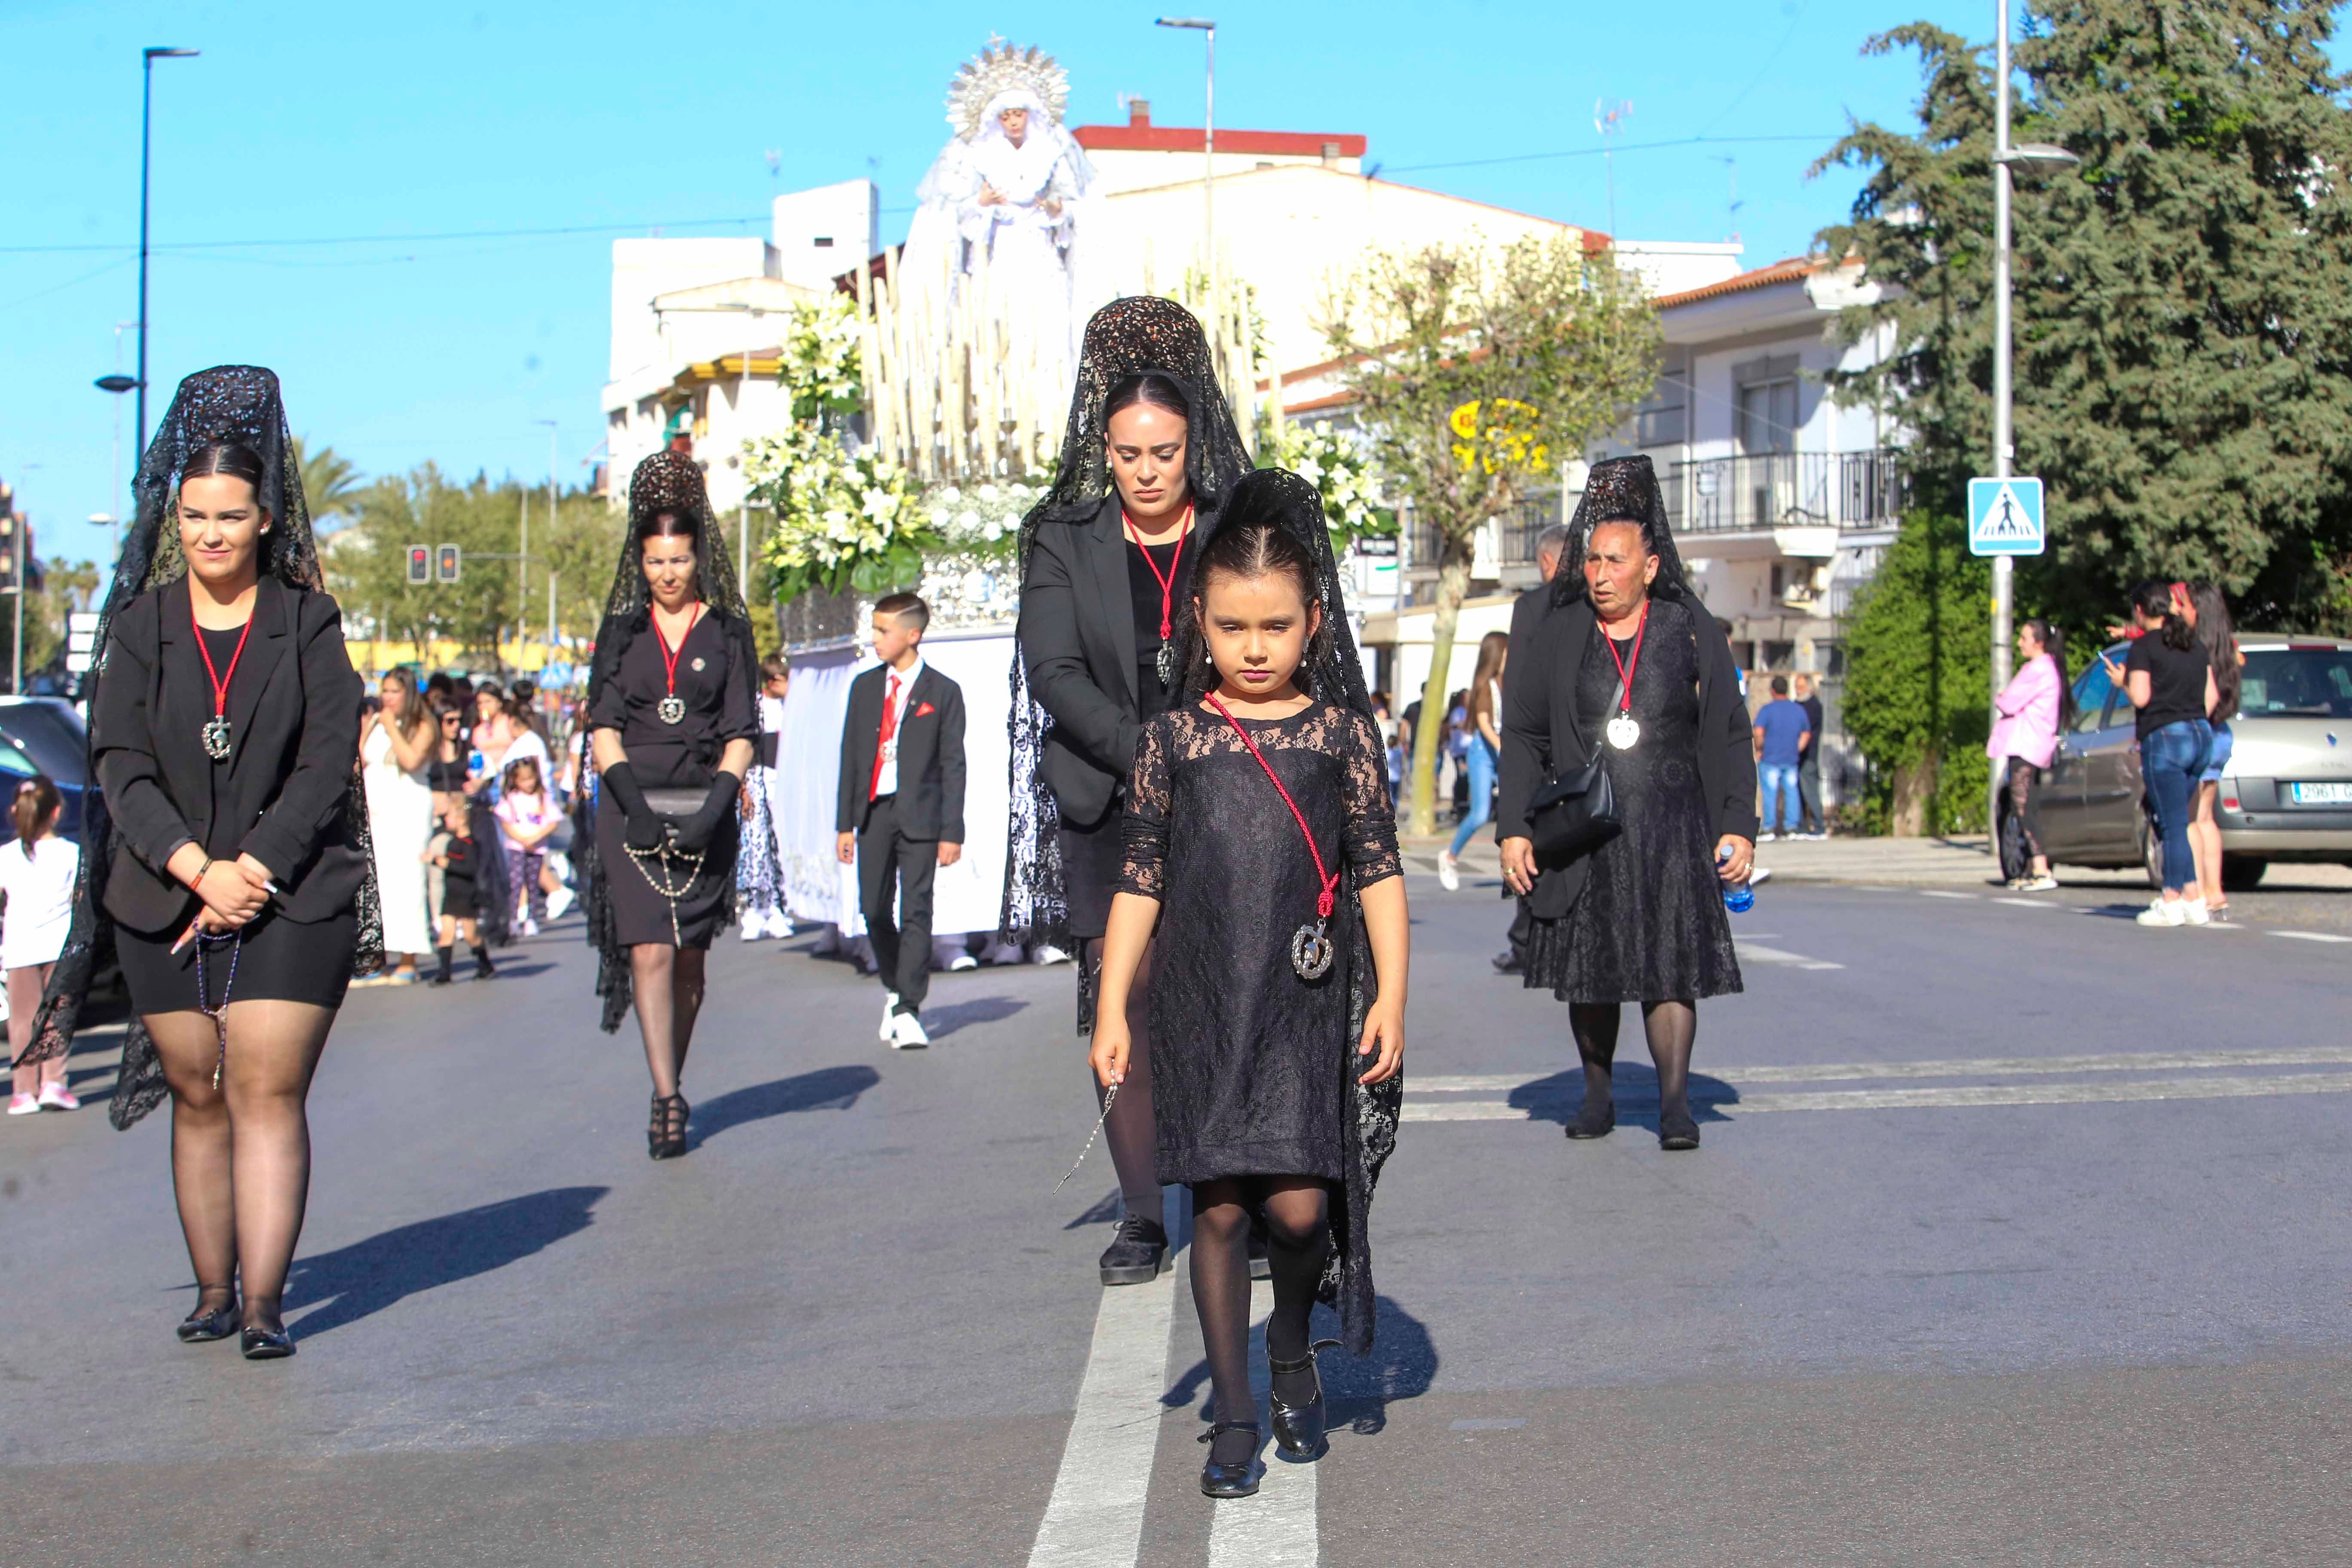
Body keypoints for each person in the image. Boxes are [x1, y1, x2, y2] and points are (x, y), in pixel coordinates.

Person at [28, 365, 377, 1359]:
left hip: (291, 893)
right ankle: (212, 1287)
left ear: (267, 518)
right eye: (194, 516)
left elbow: (326, 759)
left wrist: (252, 867)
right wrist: (194, 866)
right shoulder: (140, 628)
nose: (211, 534)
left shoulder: (308, 621)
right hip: (162, 892)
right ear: (172, 516)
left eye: (230, 515)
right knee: (197, 1087)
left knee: (265, 1085)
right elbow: (119, 762)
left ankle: (264, 1305)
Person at [1089, 472, 1406, 1499]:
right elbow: (1140, 876)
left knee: (1302, 1210)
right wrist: (1110, 1004)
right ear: (1201, 623)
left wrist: (1390, 997)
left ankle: (1288, 1350)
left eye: (1275, 625)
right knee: (1219, 1211)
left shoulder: (1338, 738)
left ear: (1312, 623)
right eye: (1232, 627)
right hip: (1199, 1005)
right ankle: (1233, 1416)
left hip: (1304, 1007)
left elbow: (1377, 874)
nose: (1255, 646)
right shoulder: (1172, 742)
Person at [1007, 296, 1255, 1290]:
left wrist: (1205, 756)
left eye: (1163, 452)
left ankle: (1245, 1190)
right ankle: (1146, 1210)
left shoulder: (1238, 527)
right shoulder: (1060, 537)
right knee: (1134, 998)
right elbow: (1053, 671)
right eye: (1126, 454)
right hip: (1110, 806)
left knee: (1238, 997)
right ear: (1100, 449)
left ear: (1192, 440)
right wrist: (1152, 757)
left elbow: (1268, 643)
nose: (1146, 472)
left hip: (1230, 795)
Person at [1496, 455, 1754, 1152]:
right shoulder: (1558, 629)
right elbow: (1520, 731)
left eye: (1615, 560)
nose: (1600, 573)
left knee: (1669, 965)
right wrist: (1512, 828)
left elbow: (1729, 730)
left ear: (1648, 564)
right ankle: (1598, 1092)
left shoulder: (1689, 625)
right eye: (1592, 559)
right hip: (1587, 827)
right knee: (1592, 966)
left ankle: (1675, 1104)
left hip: (1672, 826)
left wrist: (1737, 825)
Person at [578, 450, 760, 1159]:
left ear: (697, 557)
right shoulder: (621, 634)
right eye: (654, 562)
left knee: (690, 960)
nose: (666, 574)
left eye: (678, 560)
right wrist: (634, 804)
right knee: (649, 950)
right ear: (641, 561)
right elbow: (602, 727)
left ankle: (673, 1069)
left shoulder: (728, 632)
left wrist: (718, 803)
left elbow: (743, 729)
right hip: (632, 807)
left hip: (705, 803)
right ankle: (666, 1095)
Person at [836, 594, 967, 1050]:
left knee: (916, 910)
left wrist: (952, 831)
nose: (874, 639)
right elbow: (851, 757)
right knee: (873, 907)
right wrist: (844, 824)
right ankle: (894, 986)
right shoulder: (865, 687)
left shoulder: (943, 692)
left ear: (912, 635)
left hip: (922, 817)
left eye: (882, 631)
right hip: (874, 811)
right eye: (873, 630)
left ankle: (910, 1007)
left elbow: (954, 764)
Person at [1496, 524, 1571, 977]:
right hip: (1589, 761)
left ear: (1546, 560)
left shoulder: (1533, 607)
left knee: (1528, 852)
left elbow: (1519, 705)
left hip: (1543, 763)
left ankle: (1529, 942)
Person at [2122, 581, 2220, 926]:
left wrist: (2123, 680)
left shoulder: (2143, 648)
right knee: (2179, 820)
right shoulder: (2195, 644)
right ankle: (2194, 897)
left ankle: (2170, 901)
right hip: (2200, 736)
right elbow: (2212, 698)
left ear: (2139, 611)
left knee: (2174, 824)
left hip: (2165, 738)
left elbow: (2140, 697)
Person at [5, 778, 81, 1114]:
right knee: (57, 1016)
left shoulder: (5, 856)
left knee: (22, 1020)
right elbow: (79, 900)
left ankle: (24, 1091)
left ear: (14, 812)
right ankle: (54, 1083)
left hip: (20, 948)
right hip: (60, 947)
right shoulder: (71, 853)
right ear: (56, 812)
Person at [358, 667, 438, 981]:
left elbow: (411, 761)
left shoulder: (423, 724)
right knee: (377, 885)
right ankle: (377, 958)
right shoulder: (377, 721)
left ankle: (408, 960)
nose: (388, 698)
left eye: (394, 691)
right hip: (377, 814)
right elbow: (361, 756)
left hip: (408, 813)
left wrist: (391, 727)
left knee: (406, 883)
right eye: (385, 691)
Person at [1988, 619, 2072, 891]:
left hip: (2026, 747)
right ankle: (2031, 869)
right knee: (2026, 807)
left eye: (2024, 638)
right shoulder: (2048, 669)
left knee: (2023, 808)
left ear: (2039, 642)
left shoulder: (2037, 669)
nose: (2020, 643)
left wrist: (2003, 696)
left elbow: (2009, 701)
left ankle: (2041, 868)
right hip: (2035, 747)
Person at [1437, 633, 1509, 893]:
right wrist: (1501, 746)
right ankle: (1450, 856)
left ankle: (1513, 865)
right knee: (1480, 813)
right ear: (1497, 653)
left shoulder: (1507, 683)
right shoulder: (1485, 684)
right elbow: (1483, 723)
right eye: (1506, 651)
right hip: (1483, 752)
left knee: (1518, 808)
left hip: (1502, 750)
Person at [2187, 582, 2242, 917]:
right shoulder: (2227, 645)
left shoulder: (2196, 649)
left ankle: (2196, 892)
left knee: (2191, 821)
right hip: (2222, 733)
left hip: (2200, 732)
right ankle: (2215, 891)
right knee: (2207, 819)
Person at [740, 652, 796, 942]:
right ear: (774, 681)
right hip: (759, 781)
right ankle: (755, 911)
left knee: (782, 847)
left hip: (784, 784)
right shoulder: (755, 707)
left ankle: (778, 909)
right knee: (756, 848)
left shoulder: (792, 706)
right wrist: (745, 789)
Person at [426, 795, 495, 983]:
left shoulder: (470, 844)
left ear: (461, 819)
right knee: (446, 933)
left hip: (467, 896)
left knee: (470, 935)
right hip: (452, 896)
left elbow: (470, 869)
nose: (445, 820)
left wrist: (446, 863)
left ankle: (485, 964)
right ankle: (444, 973)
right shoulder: (452, 841)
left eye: (449, 816)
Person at [495, 756, 559, 935]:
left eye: (531, 778)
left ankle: (531, 918)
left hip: (537, 847)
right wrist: (520, 839)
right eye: (523, 780)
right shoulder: (512, 798)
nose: (529, 783)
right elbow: (505, 822)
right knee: (516, 882)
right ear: (515, 780)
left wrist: (537, 837)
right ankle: (513, 918)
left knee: (533, 883)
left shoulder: (543, 798)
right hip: (517, 846)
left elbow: (553, 822)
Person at [1751, 677, 1810, 843]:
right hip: (1791, 758)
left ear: (1773, 691)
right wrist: (1797, 748)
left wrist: (1760, 748)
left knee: (1770, 793)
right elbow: (1806, 733)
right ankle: (1791, 828)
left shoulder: (1767, 710)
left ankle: (1769, 828)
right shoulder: (1798, 710)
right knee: (1792, 792)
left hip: (1770, 757)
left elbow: (1758, 732)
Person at [1793, 672, 1828, 838]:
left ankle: (1818, 826)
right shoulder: (1795, 705)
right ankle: (1801, 827)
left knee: (1810, 789)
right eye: (1796, 687)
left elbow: (1809, 732)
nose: (1798, 690)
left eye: (1801, 687)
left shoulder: (1814, 706)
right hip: (1794, 756)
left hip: (1809, 755)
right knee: (1797, 791)